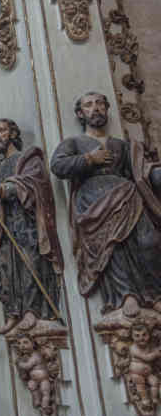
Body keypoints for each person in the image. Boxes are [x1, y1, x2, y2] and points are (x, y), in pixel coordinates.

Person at [51, 91, 161, 311]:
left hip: (128, 195)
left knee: (150, 241)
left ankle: (154, 294)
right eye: (89, 105)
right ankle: (125, 295)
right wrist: (89, 159)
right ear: (81, 114)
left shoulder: (122, 144)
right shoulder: (75, 142)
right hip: (94, 199)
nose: (96, 108)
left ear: (107, 109)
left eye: (100, 104)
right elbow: (58, 166)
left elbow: (141, 172)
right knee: (112, 246)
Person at [0, 118, 63, 330]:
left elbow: (35, 182)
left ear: (13, 134)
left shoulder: (27, 159)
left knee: (29, 263)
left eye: (1, 130)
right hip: (1, 229)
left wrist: (2, 190)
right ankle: (13, 311)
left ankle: (32, 310)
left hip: (26, 223)